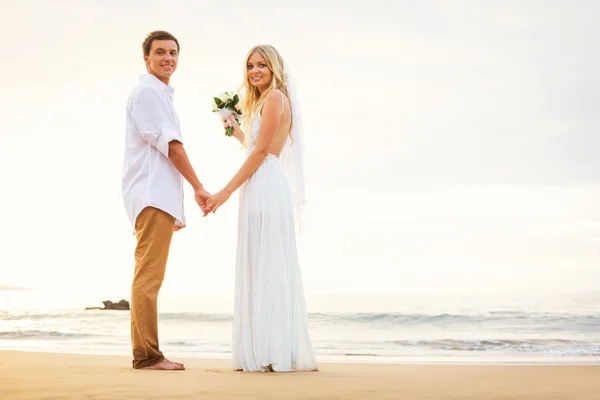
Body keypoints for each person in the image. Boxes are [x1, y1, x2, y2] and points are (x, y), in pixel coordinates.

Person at [205, 45, 318, 372]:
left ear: (274, 68)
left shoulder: (274, 99)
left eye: (262, 65)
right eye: (251, 66)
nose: (255, 71)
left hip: (264, 183)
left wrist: (225, 191)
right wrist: (232, 126)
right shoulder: (270, 101)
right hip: (261, 183)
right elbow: (253, 147)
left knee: (267, 265)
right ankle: (265, 349)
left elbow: (261, 154)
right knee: (260, 263)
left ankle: (271, 351)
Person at [122, 30, 210, 370]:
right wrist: (198, 186)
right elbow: (171, 145)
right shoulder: (148, 92)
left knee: (148, 275)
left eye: (173, 52)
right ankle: (148, 356)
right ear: (147, 58)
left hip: (154, 195)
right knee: (149, 277)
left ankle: (145, 353)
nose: (168, 58)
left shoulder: (158, 93)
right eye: (160, 52)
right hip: (152, 195)